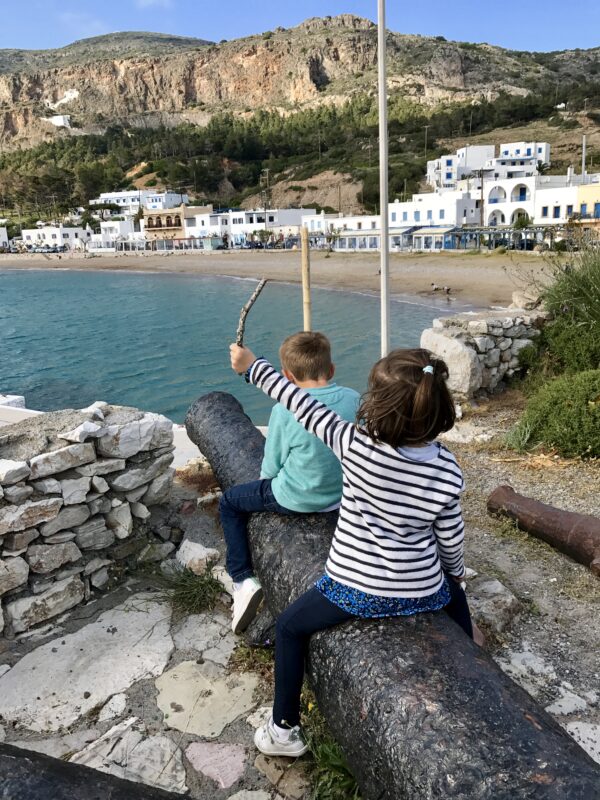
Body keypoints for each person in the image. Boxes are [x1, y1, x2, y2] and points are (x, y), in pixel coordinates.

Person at [229, 343, 474, 759]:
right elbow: (451, 541)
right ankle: (470, 661)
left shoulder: (353, 444)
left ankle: (283, 730)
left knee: (289, 627)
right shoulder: (446, 470)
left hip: (355, 590)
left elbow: (296, 400)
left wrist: (251, 367)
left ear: (377, 406)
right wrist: (455, 577)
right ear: (438, 409)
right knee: (457, 592)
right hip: (423, 589)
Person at [220, 331, 360, 635]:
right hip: (338, 495)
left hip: (295, 497)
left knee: (230, 502)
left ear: (286, 376)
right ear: (332, 369)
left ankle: (242, 578)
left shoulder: (284, 410)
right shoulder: (352, 399)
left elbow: (273, 463)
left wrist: (263, 487)